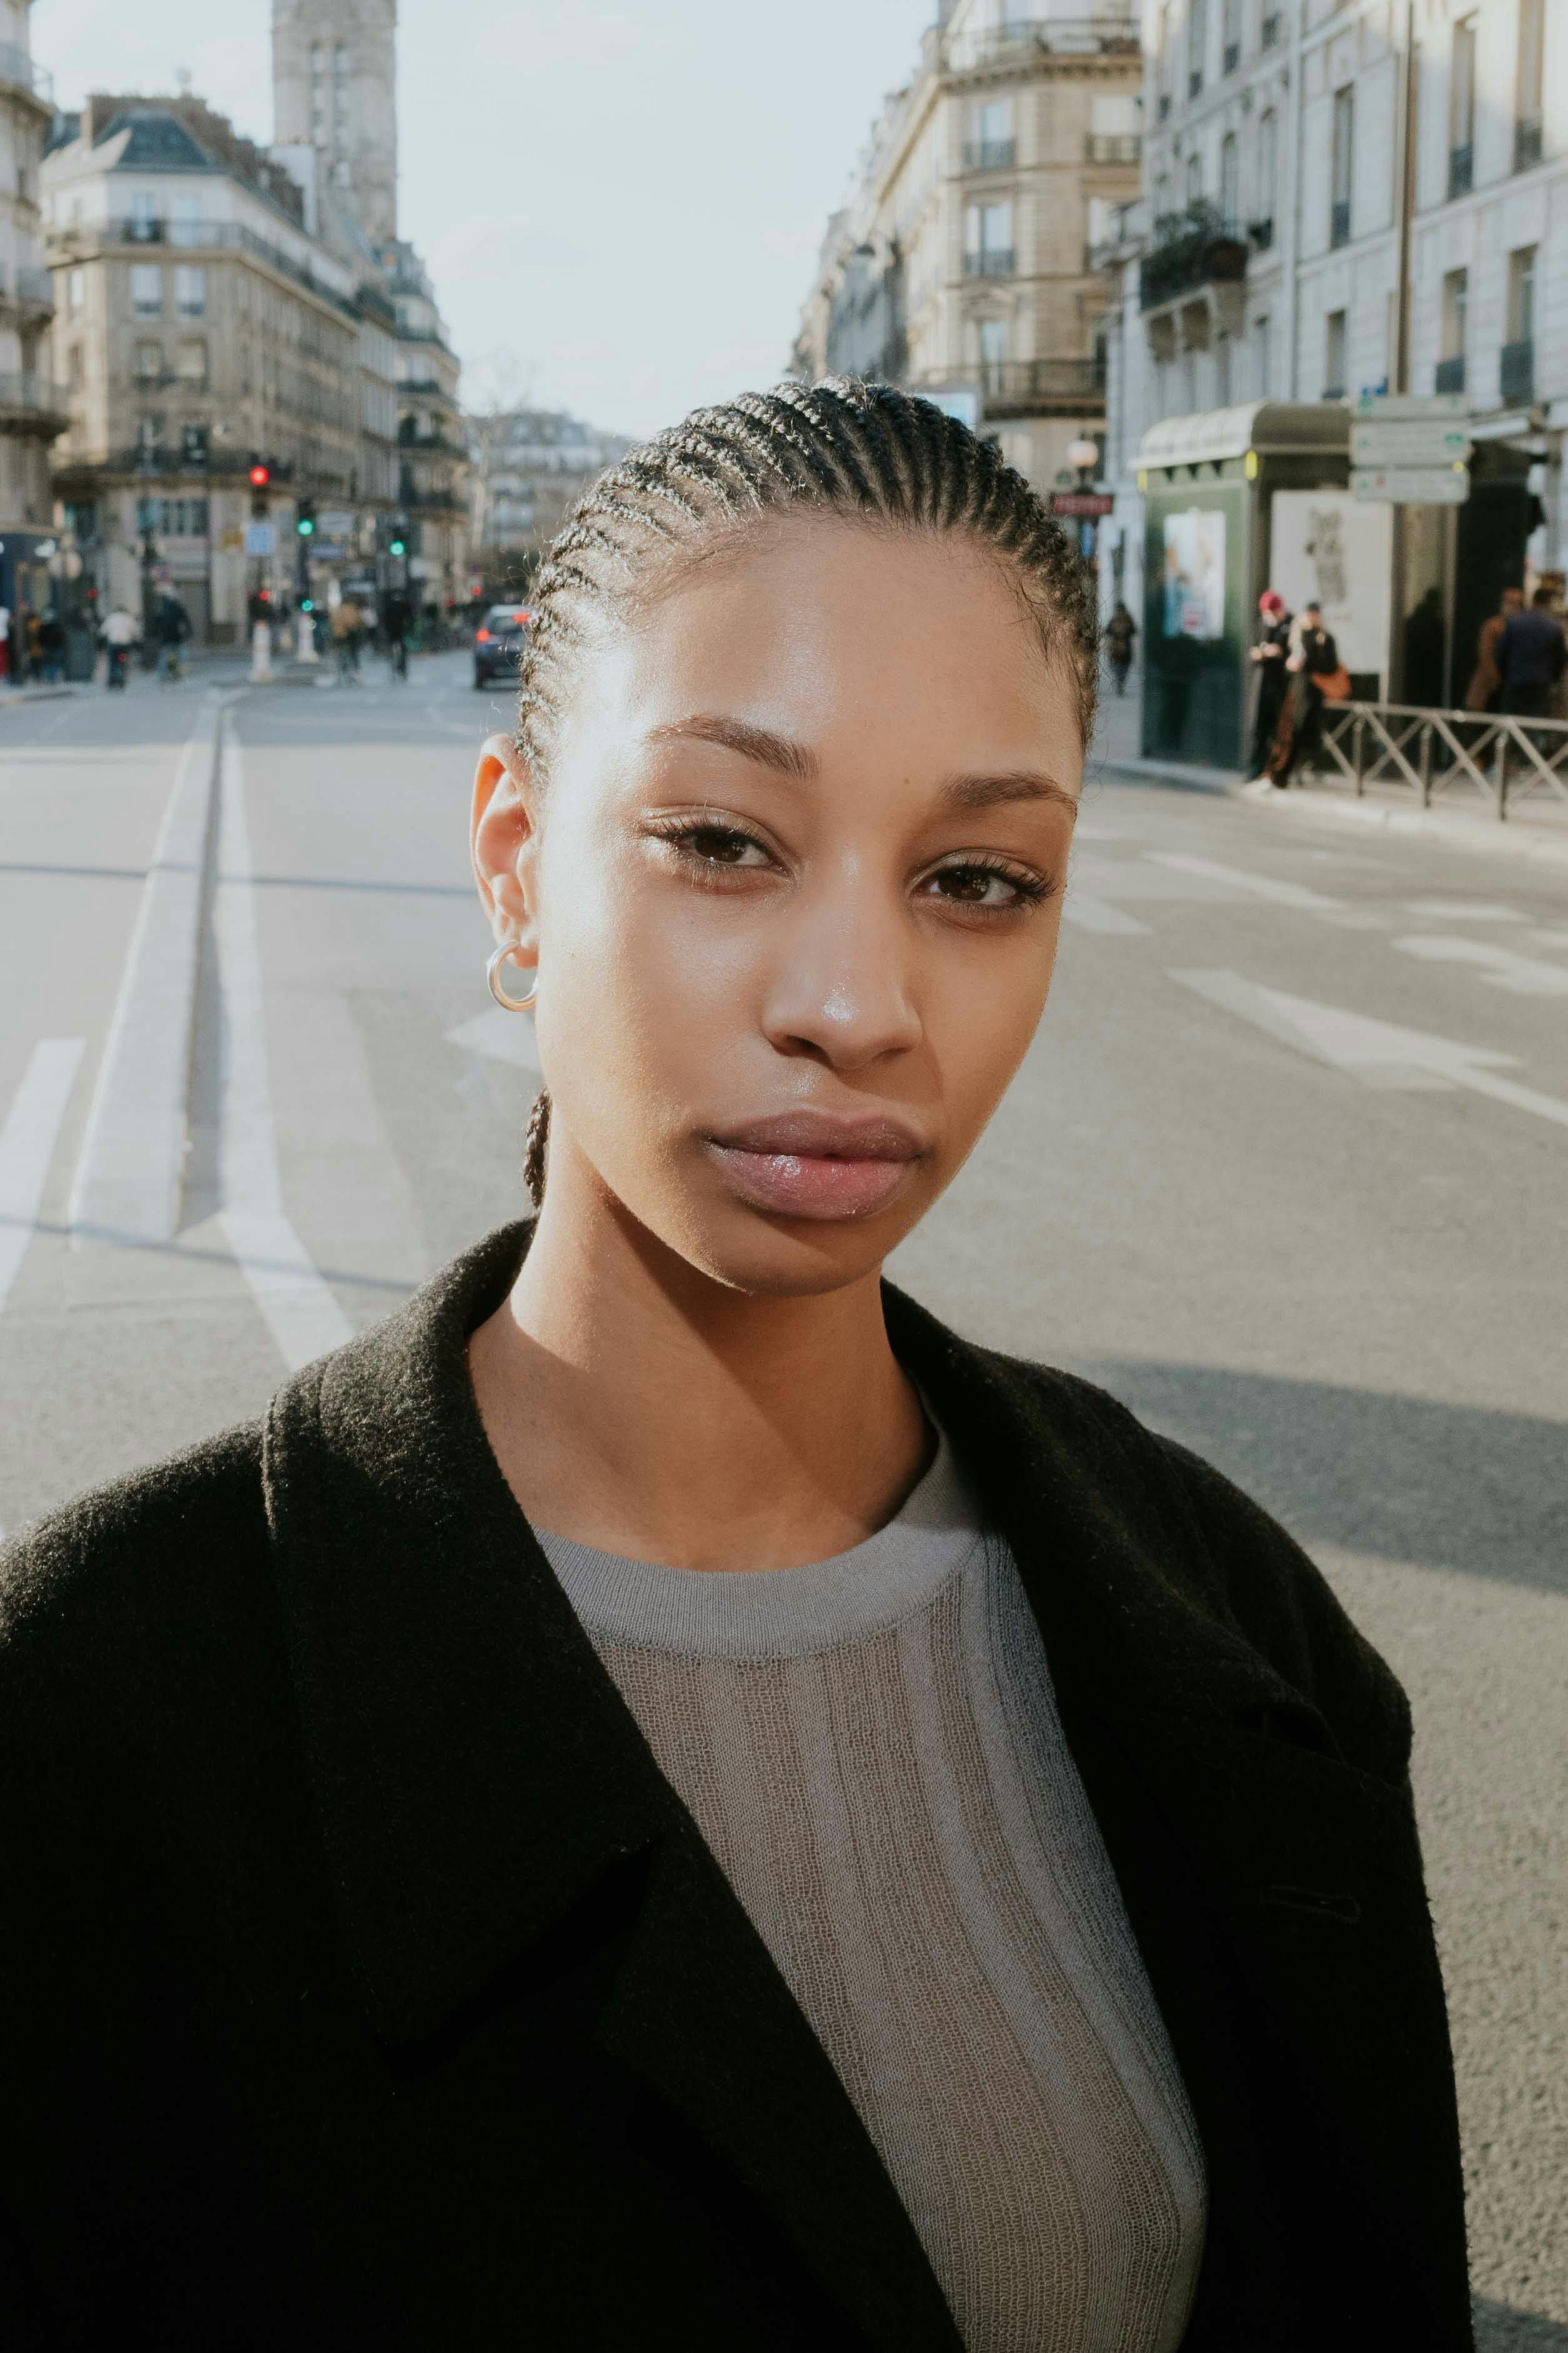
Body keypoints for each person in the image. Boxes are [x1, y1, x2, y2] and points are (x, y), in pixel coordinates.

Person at [0, 379, 1469, 2352]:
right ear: (516, 866)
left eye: (975, 880)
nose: (857, 1006)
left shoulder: (1242, 1635)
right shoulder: (93, 1714)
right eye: (718, 839)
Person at [1265, 598, 1339, 786]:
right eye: (1308, 615)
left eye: (1314, 615)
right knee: (1288, 732)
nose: (1310, 619)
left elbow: (1331, 666)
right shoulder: (1296, 636)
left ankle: (1295, 771)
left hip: (1313, 693)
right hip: (1294, 691)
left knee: (1305, 733)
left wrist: (1307, 664)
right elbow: (1289, 664)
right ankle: (1281, 772)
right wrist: (1291, 665)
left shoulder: (1325, 638)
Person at [1497, 584, 1567, 719]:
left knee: (1513, 721)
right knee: (1537, 721)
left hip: (1516, 680)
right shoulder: (1554, 627)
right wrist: (1553, 678)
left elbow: (1502, 653)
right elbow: (1560, 659)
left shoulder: (1514, 623)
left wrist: (1506, 674)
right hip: (1542, 682)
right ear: (1548, 603)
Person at [1247, 588, 1291, 777]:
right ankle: (1256, 767)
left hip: (1280, 684)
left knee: (1277, 729)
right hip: (1262, 684)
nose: (1269, 618)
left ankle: (1273, 769)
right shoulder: (1262, 625)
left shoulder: (1288, 625)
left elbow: (1285, 651)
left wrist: (1276, 652)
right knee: (1259, 727)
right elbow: (1255, 651)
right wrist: (1263, 653)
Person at [1464, 586, 1522, 712]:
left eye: (1517, 604)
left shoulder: (1521, 627)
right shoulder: (1493, 626)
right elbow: (1485, 655)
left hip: (1510, 684)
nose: (1514, 607)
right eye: (1510, 603)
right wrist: (1495, 678)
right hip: (1490, 684)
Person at [152, 590, 192, 683]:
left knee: (163, 656)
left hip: (165, 638)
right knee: (180, 656)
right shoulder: (179, 609)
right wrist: (188, 632)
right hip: (177, 637)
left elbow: (157, 624)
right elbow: (186, 621)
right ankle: (179, 673)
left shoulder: (162, 610)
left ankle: (162, 675)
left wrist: (156, 634)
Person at [101, 600, 138, 688]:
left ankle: (112, 681)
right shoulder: (129, 618)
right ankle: (122, 679)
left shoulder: (111, 617)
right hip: (125, 644)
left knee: (113, 662)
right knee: (123, 661)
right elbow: (135, 631)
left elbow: (103, 631)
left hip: (113, 643)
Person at [1104, 597, 1136, 695]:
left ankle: (1119, 685)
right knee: (1123, 670)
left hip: (1116, 649)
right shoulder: (1128, 619)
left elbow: (1107, 631)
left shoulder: (1115, 619)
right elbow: (1134, 631)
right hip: (1126, 649)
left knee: (1117, 668)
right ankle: (1120, 685)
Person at [332, 592, 364, 681]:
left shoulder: (338, 610)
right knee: (354, 653)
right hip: (351, 634)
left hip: (340, 635)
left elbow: (333, 622)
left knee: (341, 652)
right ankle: (356, 672)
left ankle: (343, 669)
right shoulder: (353, 609)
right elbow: (359, 621)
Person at [382, 586, 411, 680]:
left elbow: (385, 618)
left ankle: (394, 667)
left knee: (392, 648)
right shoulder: (403, 604)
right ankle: (403, 668)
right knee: (402, 650)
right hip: (401, 630)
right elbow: (409, 616)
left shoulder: (388, 605)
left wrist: (386, 628)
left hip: (392, 631)